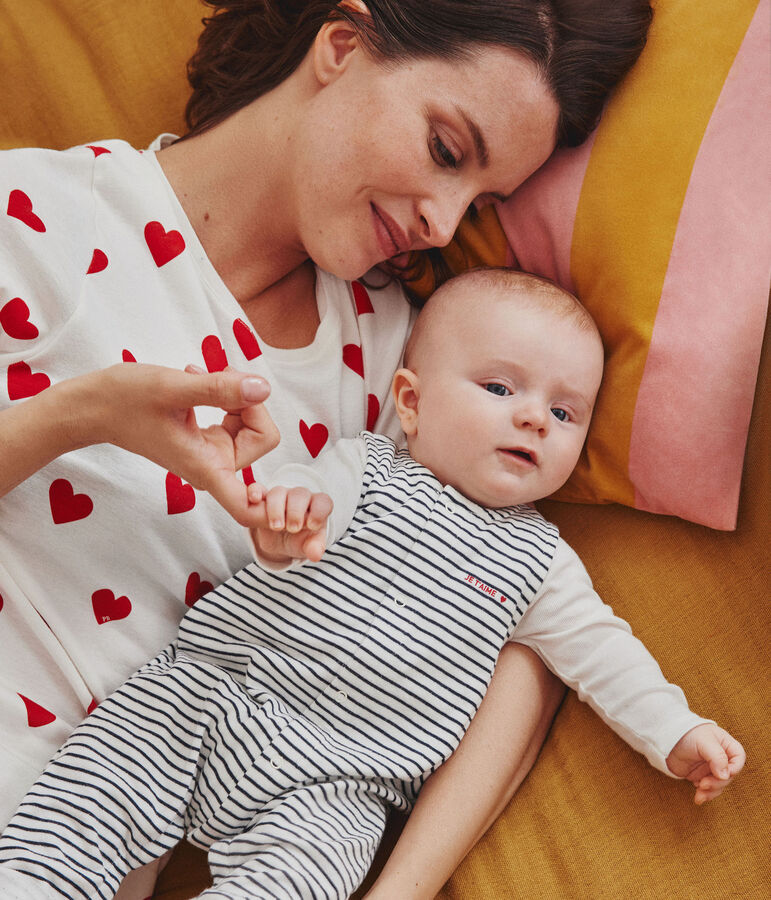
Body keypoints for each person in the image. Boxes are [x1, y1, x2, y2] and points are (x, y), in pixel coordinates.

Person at [0, 2, 655, 896]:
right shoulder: (35, 212)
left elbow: (513, 631)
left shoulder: (416, 370)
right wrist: (80, 414)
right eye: (445, 151)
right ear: (341, 46)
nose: (443, 221)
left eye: (484, 202)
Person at [0, 269, 745, 900]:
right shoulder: (366, 470)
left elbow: (604, 655)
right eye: (498, 386)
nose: (534, 419)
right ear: (411, 403)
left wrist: (674, 733)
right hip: (211, 695)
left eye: (563, 411)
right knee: (83, 813)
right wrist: (285, 522)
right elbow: (294, 500)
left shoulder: (541, 563)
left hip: (338, 787)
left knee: (309, 873)